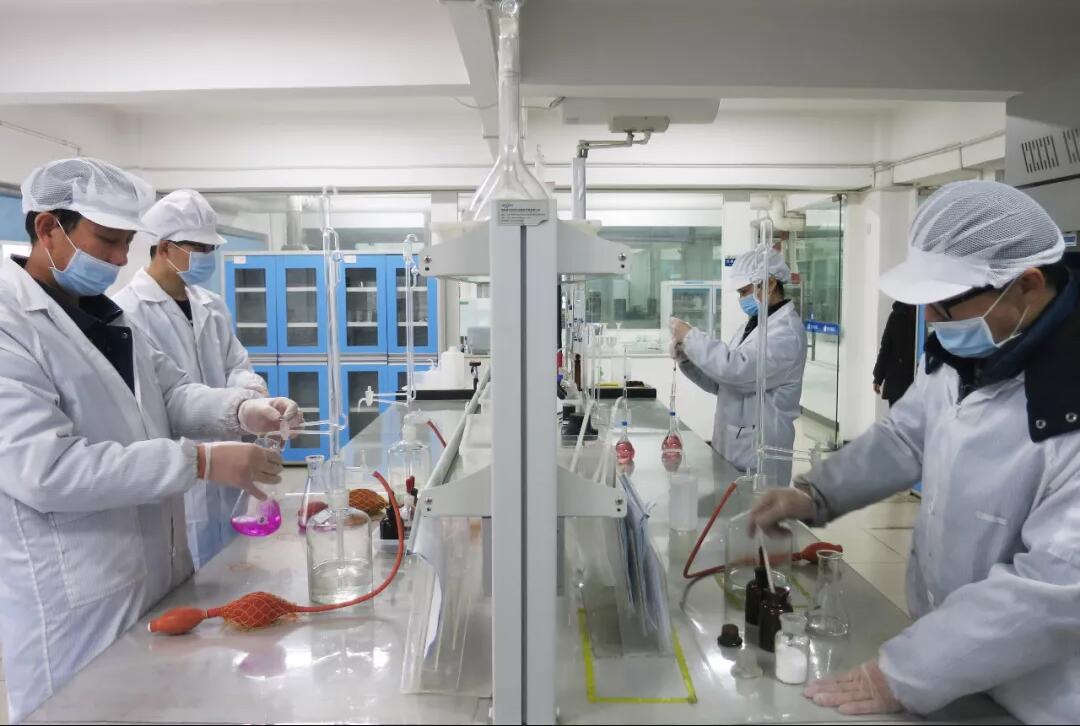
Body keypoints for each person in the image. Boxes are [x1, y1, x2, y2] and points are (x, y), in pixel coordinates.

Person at [748, 180, 1079, 723]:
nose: (934, 322)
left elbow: (1054, 588)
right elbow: (905, 437)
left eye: (946, 306)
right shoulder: (964, 353)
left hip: (1043, 696)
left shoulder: (1068, 403)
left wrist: (903, 673)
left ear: (1026, 285)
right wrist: (815, 493)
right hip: (949, 659)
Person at [0, 158, 303, 723]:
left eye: (127, 243)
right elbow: (47, 470)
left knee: (166, 704)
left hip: (158, 569)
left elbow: (172, 394)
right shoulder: (9, 325)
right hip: (76, 596)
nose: (121, 260)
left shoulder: (108, 316)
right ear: (47, 228)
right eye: (108, 241)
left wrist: (243, 410)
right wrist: (200, 461)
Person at [113, 189, 268, 568]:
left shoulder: (210, 305)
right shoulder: (127, 311)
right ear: (165, 247)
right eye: (199, 247)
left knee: (235, 566)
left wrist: (250, 402)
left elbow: (237, 364)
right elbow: (160, 398)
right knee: (191, 572)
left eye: (211, 248)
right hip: (180, 465)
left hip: (229, 457)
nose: (207, 256)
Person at [670, 249, 807, 487]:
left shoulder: (786, 333)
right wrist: (687, 359)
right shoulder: (754, 326)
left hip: (760, 450)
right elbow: (722, 382)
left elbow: (736, 371)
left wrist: (692, 337)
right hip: (735, 444)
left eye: (744, 291)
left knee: (755, 507)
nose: (741, 299)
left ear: (770, 283)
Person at [872, 301, 917, 406]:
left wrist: (878, 378)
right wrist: (878, 377)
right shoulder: (897, 315)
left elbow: (885, 348)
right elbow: (886, 348)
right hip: (898, 381)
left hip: (909, 380)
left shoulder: (924, 313)